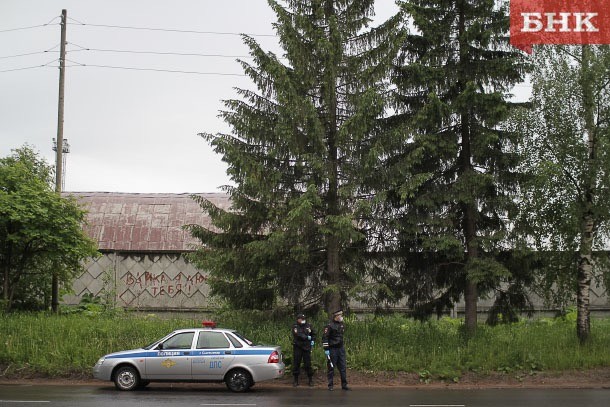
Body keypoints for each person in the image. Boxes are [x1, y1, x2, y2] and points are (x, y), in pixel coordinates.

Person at [322, 309, 349, 391]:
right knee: (331, 367)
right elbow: (325, 338)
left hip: (340, 349)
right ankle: (330, 385)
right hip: (332, 349)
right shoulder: (329, 326)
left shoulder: (342, 324)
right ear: (336, 316)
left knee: (343, 367)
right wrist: (326, 349)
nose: (341, 317)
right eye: (340, 315)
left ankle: (344, 385)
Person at [291, 312, 316, 387]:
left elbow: (313, 334)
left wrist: (313, 340)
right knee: (296, 363)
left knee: (308, 364)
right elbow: (298, 334)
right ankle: (295, 380)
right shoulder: (295, 326)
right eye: (301, 319)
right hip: (298, 347)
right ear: (298, 319)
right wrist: (306, 337)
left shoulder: (309, 325)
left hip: (306, 347)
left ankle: (310, 379)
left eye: (303, 319)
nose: (302, 320)